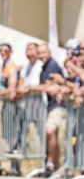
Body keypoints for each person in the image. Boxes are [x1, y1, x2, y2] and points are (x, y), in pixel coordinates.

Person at [31, 43, 65, 172]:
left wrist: (29, 88)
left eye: (44, 52)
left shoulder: (52, 66)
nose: (41, 55)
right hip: (50, 105)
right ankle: (56, 168)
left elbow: (48, 87)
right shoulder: (44, 66)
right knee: (52, 135)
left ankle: (50, 162)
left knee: (49, 130)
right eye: (39, 53)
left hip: (58, 105)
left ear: (49, 52)